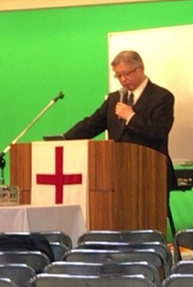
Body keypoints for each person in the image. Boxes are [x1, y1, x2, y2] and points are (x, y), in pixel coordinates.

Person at [63, 49, 177, 192]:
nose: (123, 79)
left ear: (140, 68)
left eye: (127, 73)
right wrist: (64, 139)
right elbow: (91, 125)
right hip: (118, 171)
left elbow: (158, 132)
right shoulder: (114, 98)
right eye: (118, 75)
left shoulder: (162, 97)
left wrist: (131, 117)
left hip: (151, 171)